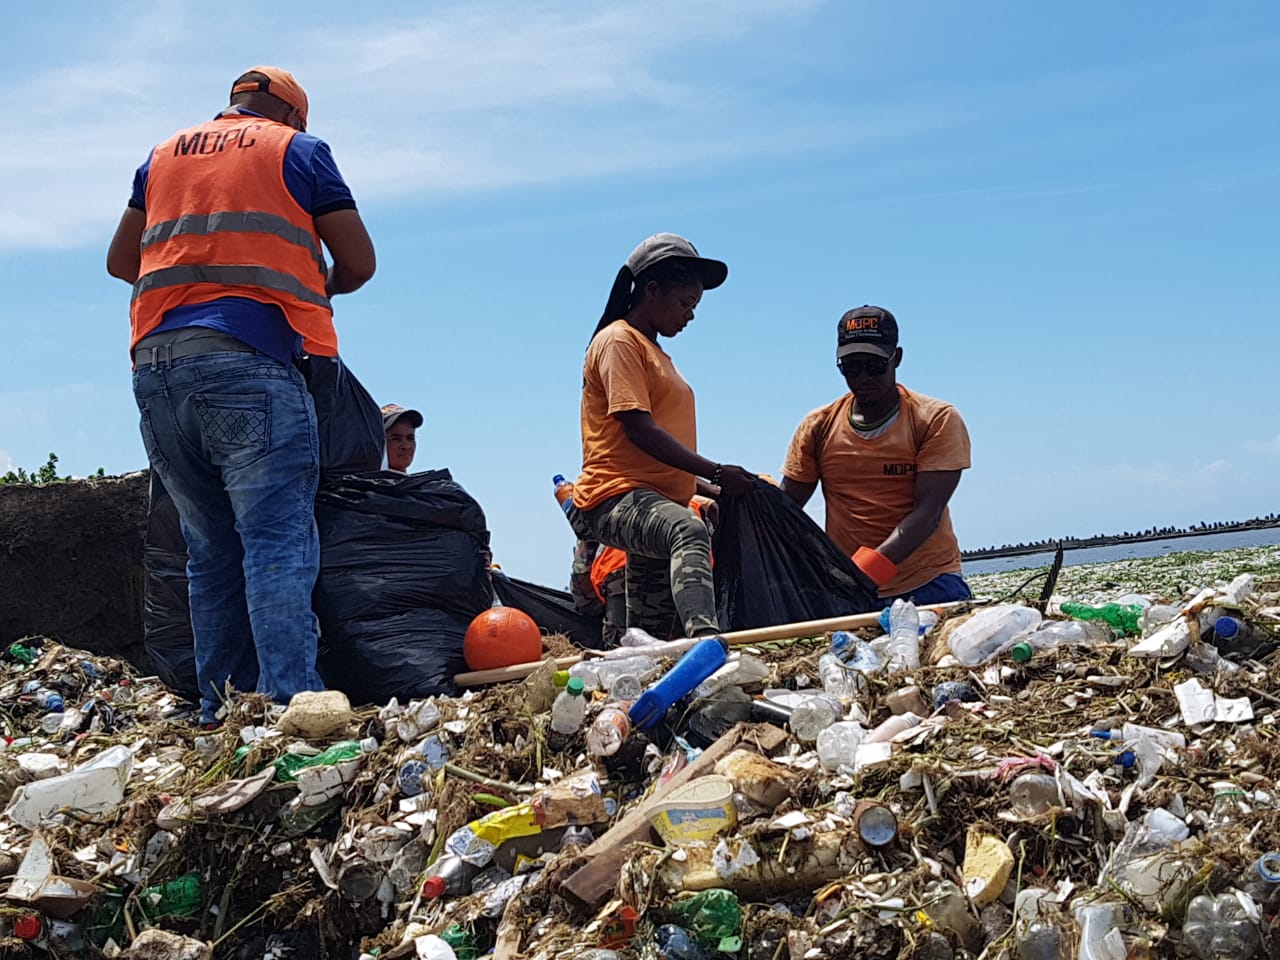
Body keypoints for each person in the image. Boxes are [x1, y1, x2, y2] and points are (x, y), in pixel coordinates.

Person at [106, 67, 376, 725]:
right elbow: (359, 262)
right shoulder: (297, 151)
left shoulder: (163, 154)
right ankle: (290, 705)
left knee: (210, 551)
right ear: (291, 115)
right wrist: (310, 284)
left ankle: (222, 712)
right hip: (248, 360)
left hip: (157, 368)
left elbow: (121, 261)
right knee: (277, 539)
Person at [567, 233, 756, 640]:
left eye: (695, 306)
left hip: (654, 502)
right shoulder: (619, 341)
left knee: (652, 638)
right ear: (652, 291)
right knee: (687, 530)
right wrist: (718, 472)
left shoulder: (655, 355)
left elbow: (661, 456)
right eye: (685, 303)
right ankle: (707, 647)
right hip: (614, 497)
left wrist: (714, 488)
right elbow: (638, 429)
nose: (689, 316)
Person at [780, 306, 973, 605]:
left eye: (874, 366)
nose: (863, 378)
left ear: (896, 358)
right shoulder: (818, 426)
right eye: (851, 368)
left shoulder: (935, 419)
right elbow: (786, 510)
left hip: (928, 581)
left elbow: (927, 514)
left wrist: (862, 573)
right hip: (853, 591)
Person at [381, 403, 423, 473]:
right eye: (396, 439)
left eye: (410, 438)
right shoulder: (365, 482)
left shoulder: (427, 482)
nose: (406, 446)